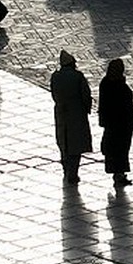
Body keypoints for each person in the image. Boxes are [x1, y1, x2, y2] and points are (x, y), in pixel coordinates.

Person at [51, 50, 93, 184]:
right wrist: (87, 108)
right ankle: (73, 173)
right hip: (77, 112)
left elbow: (54, 94)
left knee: (63, 140)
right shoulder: (78, 76)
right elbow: (86, 95)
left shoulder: (55, 77)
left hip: (61, 112)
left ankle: (66, 167)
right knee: (76, 142)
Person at [98, 58, 133, 187]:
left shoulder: (105, 83)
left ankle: (117, 173)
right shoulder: (120, 86)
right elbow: (127, 105)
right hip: (122, 123)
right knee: (121, 149)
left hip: (111, 123)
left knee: (113, 149)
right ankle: (119, 174)